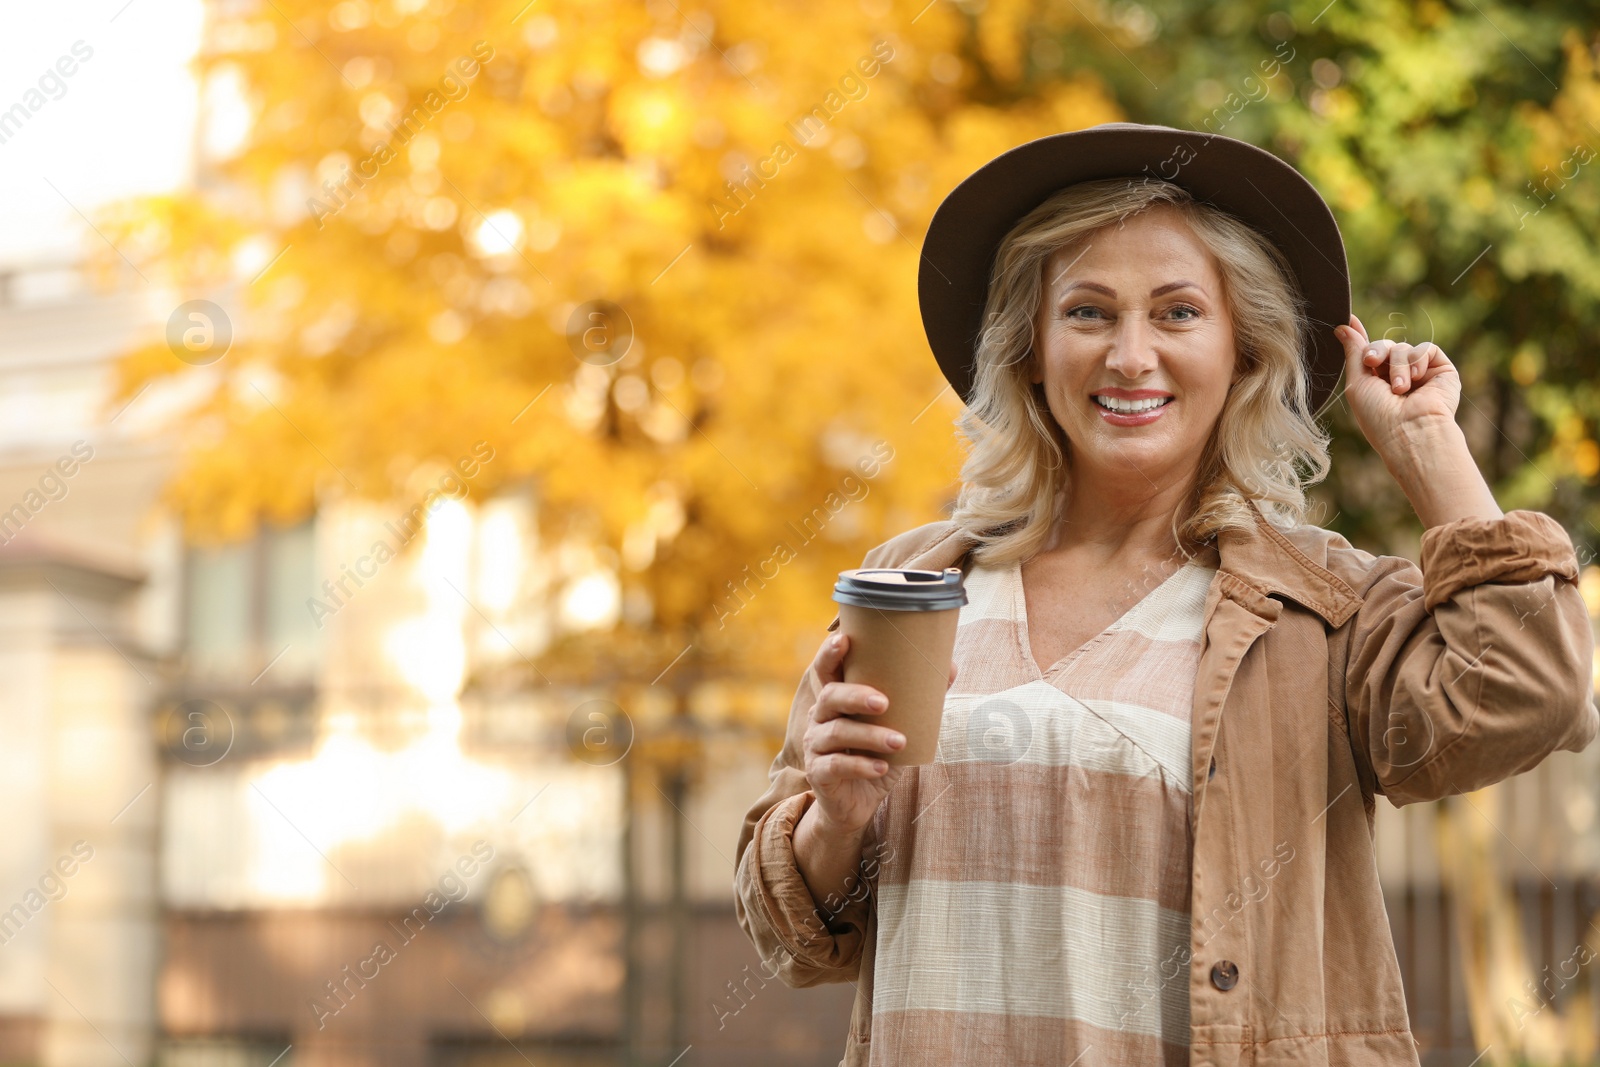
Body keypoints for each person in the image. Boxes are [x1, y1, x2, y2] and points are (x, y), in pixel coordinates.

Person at [731, 123, 1597, 1066]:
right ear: (1029, 349)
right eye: (1089, 312)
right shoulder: (918, 583)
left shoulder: (1320, 609)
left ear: (1243, 351)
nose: (1130, 355)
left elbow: (1529, 690)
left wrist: (1428, 447)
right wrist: (837, 814)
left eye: (1179, 313)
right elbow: (794, 935)